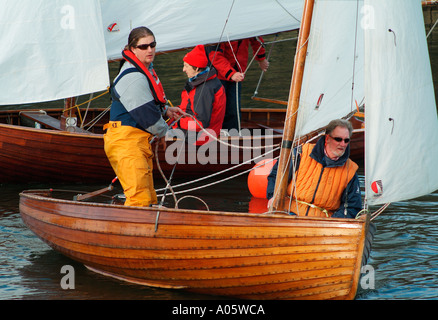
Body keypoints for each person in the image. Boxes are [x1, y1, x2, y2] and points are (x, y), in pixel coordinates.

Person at [103, 26, 184, 207]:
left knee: (150, 200)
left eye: (152, 45)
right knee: (139, 200)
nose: (149, 50)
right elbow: (147, 116)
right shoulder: (133, 77)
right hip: (126, 143)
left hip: (136, 142)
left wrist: (165, 111)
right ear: (132, 49)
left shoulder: (143, 71)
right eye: (143, 46)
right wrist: (164, 132)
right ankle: (132, 233)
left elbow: (146, 104)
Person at [266, 119, 362, 218]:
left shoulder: (350, 171)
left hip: (322, 225)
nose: (343, 144)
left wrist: (332, 223)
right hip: (288, 215)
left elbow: (352, 207)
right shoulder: (300, 153)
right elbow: (276, 175)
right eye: (338, 139)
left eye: (346, 140)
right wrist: (273, 196)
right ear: (327, 138)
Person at [205, 37, 269, 131]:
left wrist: (261, 59)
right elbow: (214, 55)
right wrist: (231, 73)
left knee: (233, 110)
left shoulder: (246, 24)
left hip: (236, 74)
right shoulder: (217, 30)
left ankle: (232, 136)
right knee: (217, 109)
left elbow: (256, 39)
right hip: (217, 75)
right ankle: (214, 134)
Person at [174, 45, 226, 145]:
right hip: (201, 131)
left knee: (159, 133)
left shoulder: (204, 89)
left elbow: (200, 124)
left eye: (186, 66)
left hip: (201, 138)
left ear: (197, 68)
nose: (183, 69)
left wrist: (179, 122)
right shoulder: (203, 81)